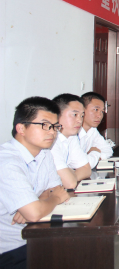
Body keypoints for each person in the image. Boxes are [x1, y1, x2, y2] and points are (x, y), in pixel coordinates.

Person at [0, 97, 70, 269]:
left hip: (36, 236)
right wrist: (50, 200)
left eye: (55, 126)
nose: (52, 132)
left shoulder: (44, 153)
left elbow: (56, 188)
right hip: (11, 249)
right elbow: (39, 209)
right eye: (45, 125)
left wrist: (37, 203)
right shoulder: (7, 162)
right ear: (21, 128)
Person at [50, 94, 92, 189]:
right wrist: (69, 178)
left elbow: (86, 169)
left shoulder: (71, 136)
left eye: (82, 116)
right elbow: (70, 184)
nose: (79, 120)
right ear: (57, 115)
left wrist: (70, 176)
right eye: (74, 115)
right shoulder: (51, 140)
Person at [77, 92, 113, 169]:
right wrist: (96, 152)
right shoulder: (73, 132)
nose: (99, 116)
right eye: (96, 110)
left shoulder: (92, 130)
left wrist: (93, 154)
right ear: (82, 110)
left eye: (102, 111)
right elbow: (81, 164)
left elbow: (108, 150)